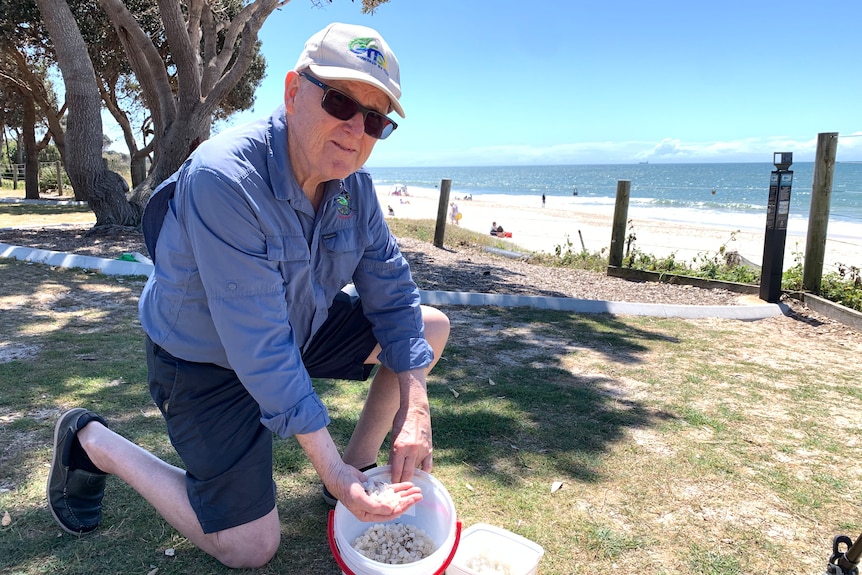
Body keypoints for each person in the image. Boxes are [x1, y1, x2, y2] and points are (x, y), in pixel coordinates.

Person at [46, 22, 450, 569]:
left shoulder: (354, 188)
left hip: (297, 328)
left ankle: (358, 473)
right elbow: (260, 348)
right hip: (204, 362)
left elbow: (395, 295)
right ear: (292, 91)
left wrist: (416, 410)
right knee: (249, 548)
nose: (357, 129)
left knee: (428, 326)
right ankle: (93, 441)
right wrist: (323, 463)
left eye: (376, 119)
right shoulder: (226, 179)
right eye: (339, 101)